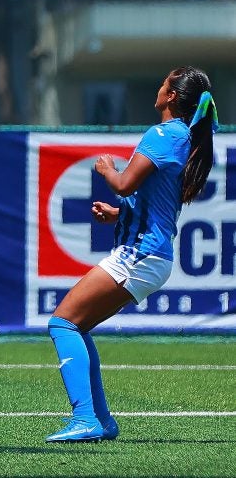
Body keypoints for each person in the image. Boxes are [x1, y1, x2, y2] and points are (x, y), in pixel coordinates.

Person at [45, 66, 218, 443]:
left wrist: (108, 170)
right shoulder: (183, 137)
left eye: (163, 83)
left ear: (171, 96)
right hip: (150, 255)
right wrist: (119, 213)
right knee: (76, 325)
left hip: (141, 255)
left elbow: (125, 183)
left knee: (62, 323)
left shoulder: (162, 133)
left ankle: (87, 418)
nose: (158, 87)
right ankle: (101, 422)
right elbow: (156, 202)